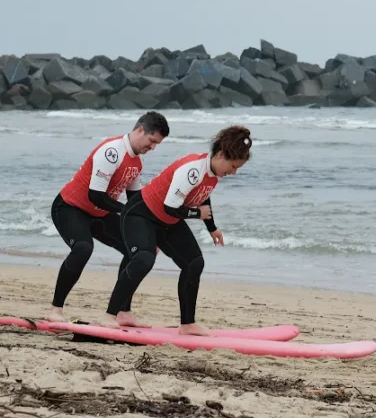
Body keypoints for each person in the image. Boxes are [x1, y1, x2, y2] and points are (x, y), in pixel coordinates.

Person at [101, 125, 252, 333]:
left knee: (194, 263)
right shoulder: (192, 169)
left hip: (165, 219)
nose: (234, 172)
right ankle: (111, 314)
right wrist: (198, 215)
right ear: (220, 155)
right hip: (140, 214)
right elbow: (171, 207)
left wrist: (212, 227)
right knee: (144, 259)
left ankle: (187, 324)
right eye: (233, 166)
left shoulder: (213, 173)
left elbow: (203, 196)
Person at [47, 111, 170, 326]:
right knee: (83, 248)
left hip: (99, 213)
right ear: (140, 130)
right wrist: (129, 213)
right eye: (152, 141)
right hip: (70, 208)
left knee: (140, 250)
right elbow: (96, 195)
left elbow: (134, 202)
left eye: (157, 144)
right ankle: (55, 309)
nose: (153, 148)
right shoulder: (112, 151)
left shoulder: (137, 163)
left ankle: (123, 312)